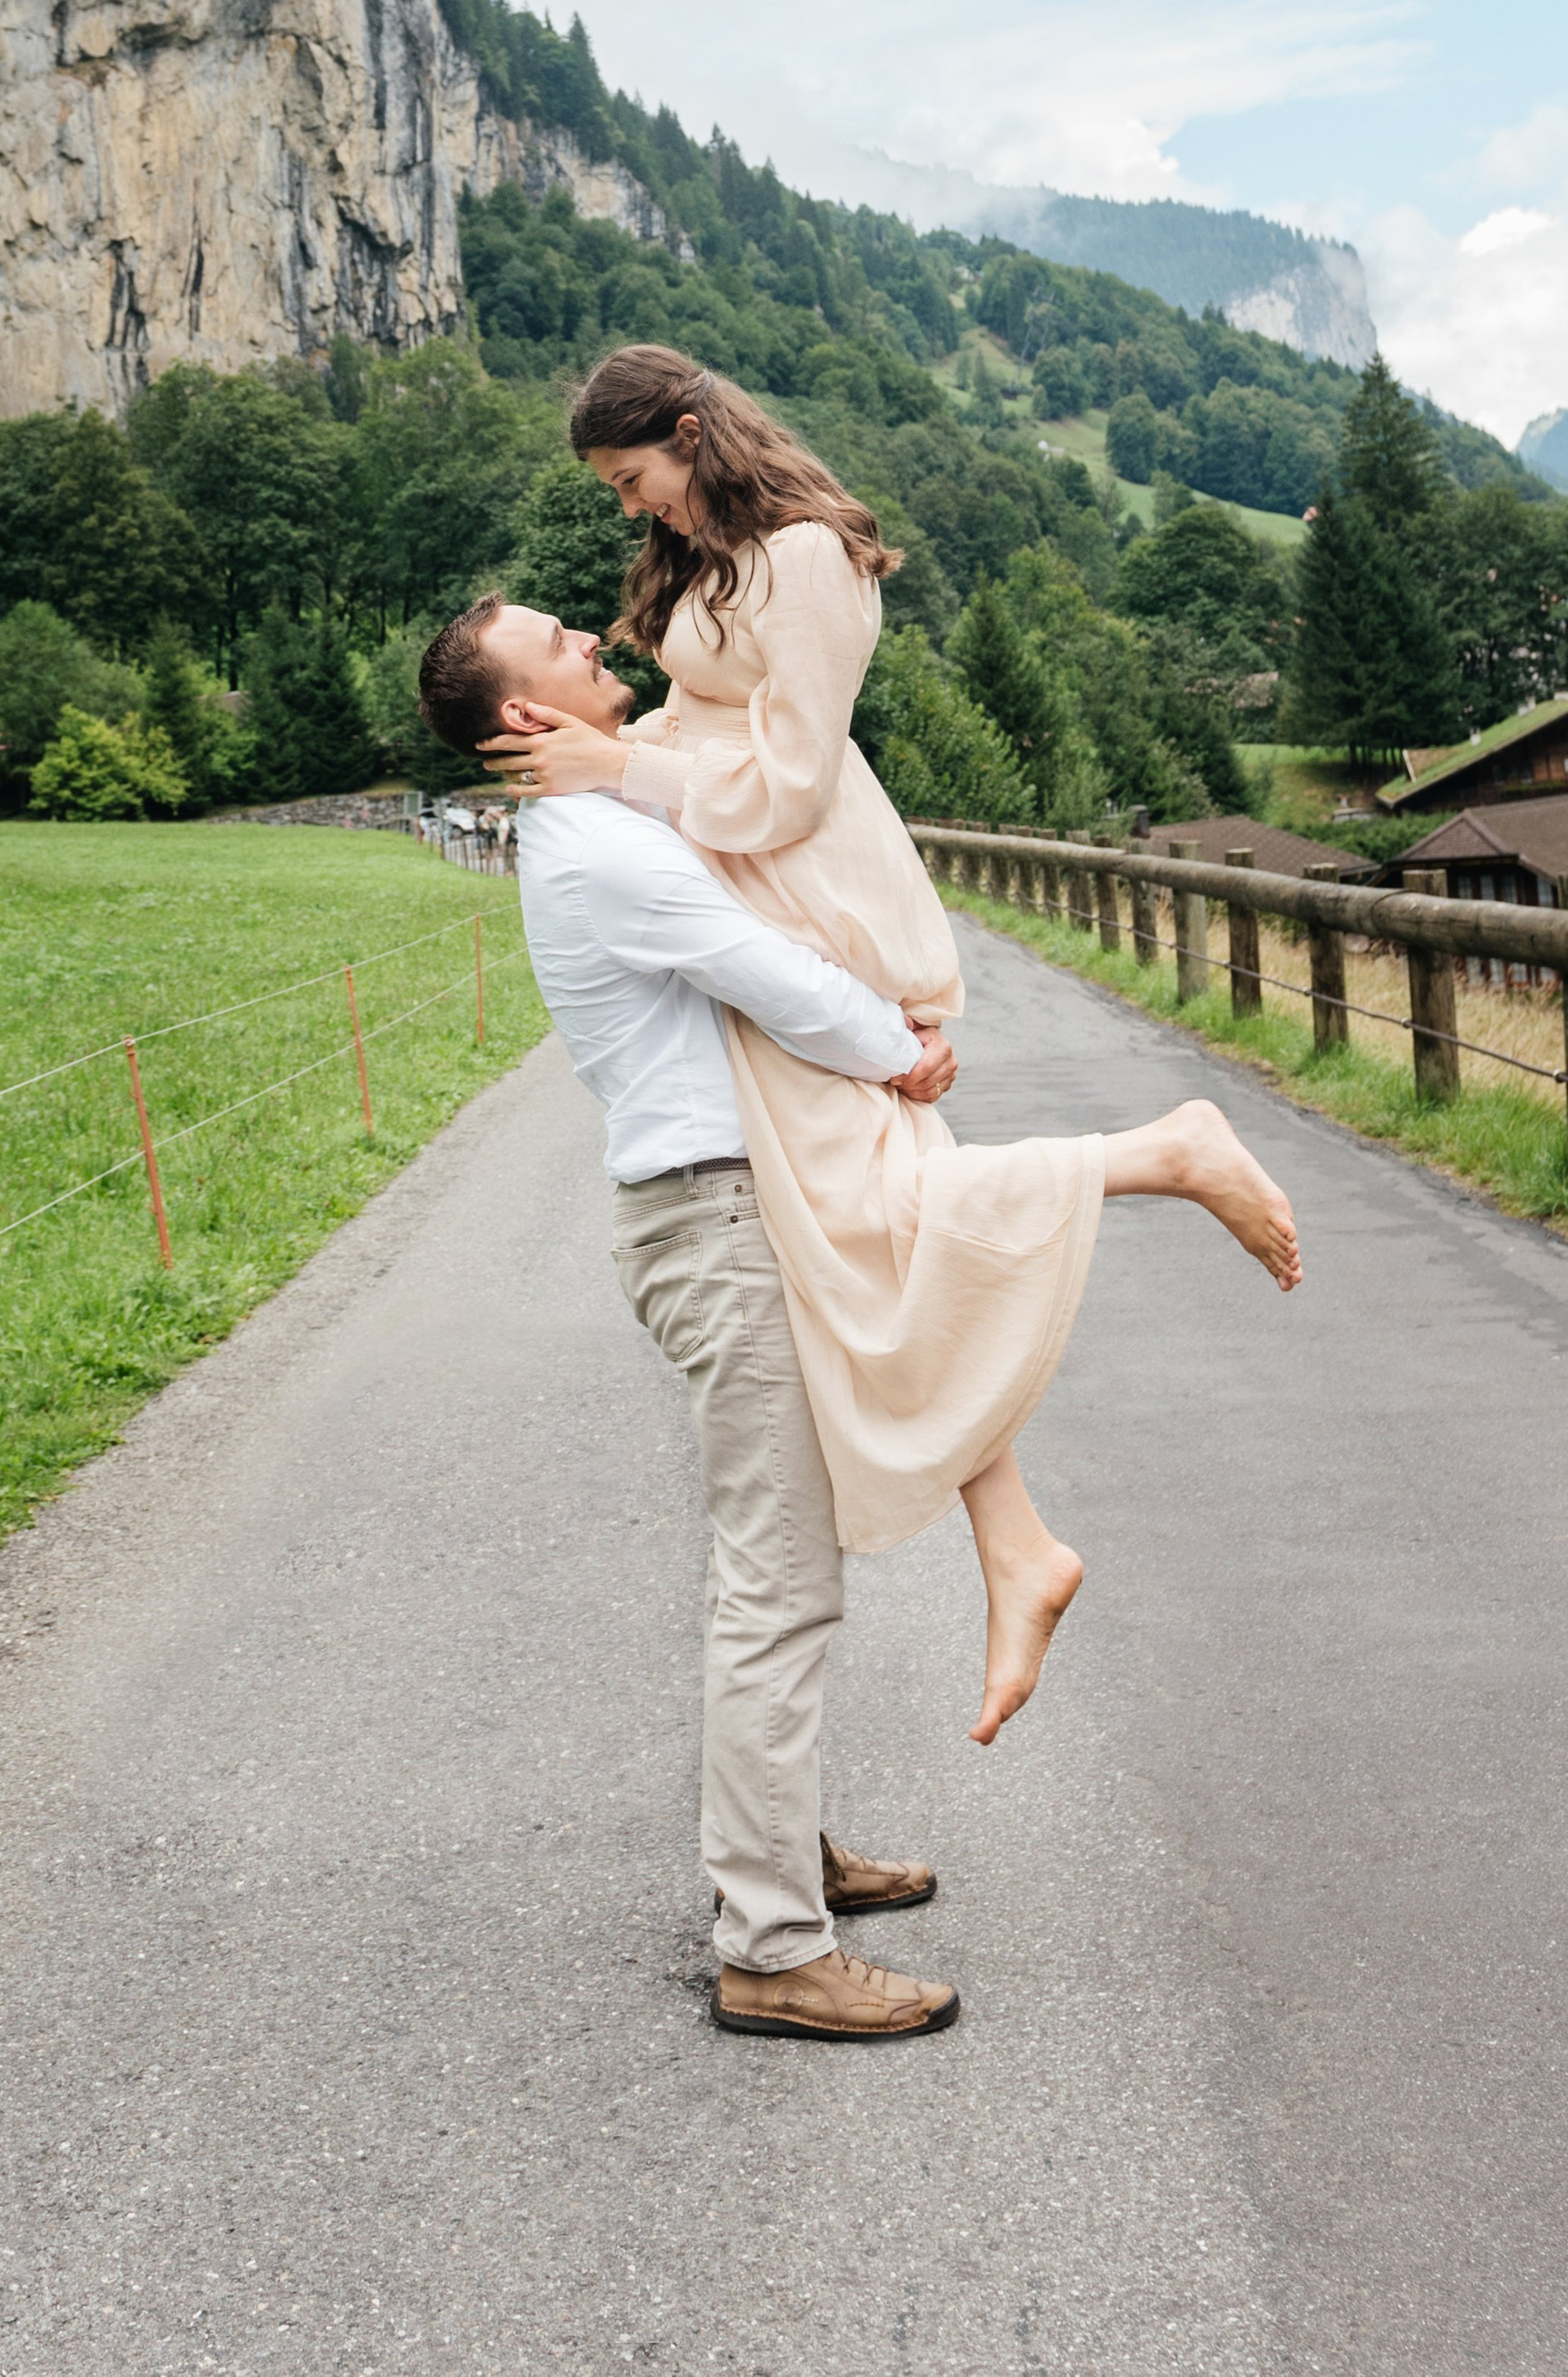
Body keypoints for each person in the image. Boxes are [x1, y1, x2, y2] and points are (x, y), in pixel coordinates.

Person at [416, 594, 1303, 2045]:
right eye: (563, 643)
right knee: (780, 1583)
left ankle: (781, 1846)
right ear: (524, 716)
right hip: (718, 1222)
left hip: (741, 1204)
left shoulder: (611, 807)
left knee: (886, 1385)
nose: (593, 641)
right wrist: (902, 1052)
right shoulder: (592, 846)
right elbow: (758, 968)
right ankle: (770, 1942)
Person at [479, 345, 1301, 1747]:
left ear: (691, 434)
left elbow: (793, 781)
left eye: (635, 479)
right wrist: (613, 754)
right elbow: (706, 727)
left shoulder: (805, 558)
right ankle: (1017, 1545)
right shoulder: (712, 563)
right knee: (869, 1235)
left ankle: (1165, 1152)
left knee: (880, 1214)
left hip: (808, 880)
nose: (630, 513)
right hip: (751, 875)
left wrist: (620, 769)